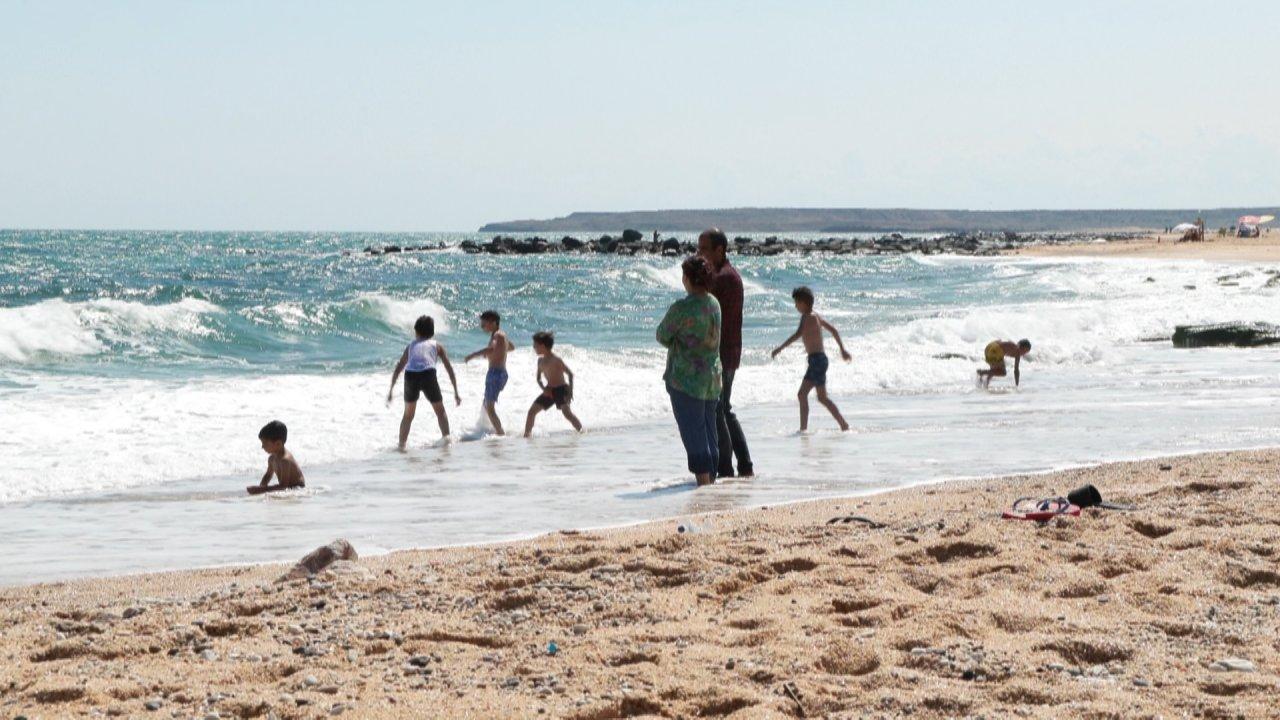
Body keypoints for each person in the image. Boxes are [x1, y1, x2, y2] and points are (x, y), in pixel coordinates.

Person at [657, 256, 722, 486]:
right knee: (709, 431)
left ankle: (703, 483)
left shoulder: (682, 308)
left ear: (687, 278)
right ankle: (710, 480)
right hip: (712, 377)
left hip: (686, 379)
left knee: (692, 432)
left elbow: (662, 335)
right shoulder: (713, 303)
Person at [698, 227, 753, 478]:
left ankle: (727, 468)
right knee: (723, 409)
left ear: (719, 250)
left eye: (704, 249)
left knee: (720, 409)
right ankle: (743, 465)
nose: (700, 254)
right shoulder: (724, 276)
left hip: (723, 353)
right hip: (726, 352)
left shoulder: (724, 278)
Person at [771, 286, 851, 432]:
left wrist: (780, 348)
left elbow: (797, 335)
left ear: (804, 303)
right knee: (821, 398)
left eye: (797, 303)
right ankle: (843, 424)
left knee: (802, 394)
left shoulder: (809, 317)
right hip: (819, 360)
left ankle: (803, 429)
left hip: (817, 361)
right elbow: (833, 330)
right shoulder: (815, 316)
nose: (795, 306)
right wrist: (842, 350)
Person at [387, 315, 460, 448]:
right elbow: (449, 369)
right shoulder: (437, 345)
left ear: (416, 331)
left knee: (408, 415)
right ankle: (447, 440)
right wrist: (456, 392)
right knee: (440, 411)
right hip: (428, 374)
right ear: (432, 332)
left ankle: (402, 445)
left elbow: (398, 368)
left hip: (411, 375)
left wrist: (391, 390)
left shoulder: (410, 346)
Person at [523, 331, 583, 437]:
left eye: (535, 345)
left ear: (542, 346)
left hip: (561, 389)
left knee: (567, 413)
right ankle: (527, 436)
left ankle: (582, 432)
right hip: (549, 390)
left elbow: (570, 374)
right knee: (531, 411)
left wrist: (570, 392)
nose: (533, 347)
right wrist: (543, 389)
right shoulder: (540, 361)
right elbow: (538, 379)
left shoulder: (556, 360)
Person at [465, 310, 516, 435]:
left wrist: (472, 355)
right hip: (500, 373)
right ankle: (485, 429)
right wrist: (497, 353)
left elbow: (491, 348)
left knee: (490, 407)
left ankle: (500, 434)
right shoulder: (501, 335)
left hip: (495, 373)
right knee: (486, 405)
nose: (482, 326)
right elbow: (511, 347)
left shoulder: (497, 335)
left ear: (493, 322)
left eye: (484, 324)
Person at [248, 420, 305, 494]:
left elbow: (283, 487)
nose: (262, 446)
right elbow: (268, 475)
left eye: (265, 443)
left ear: (278, 443)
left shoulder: (285, 460)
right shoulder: (271, 459)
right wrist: (260, 487)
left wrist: (260, 490)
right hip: (288, 488)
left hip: (298, 490)